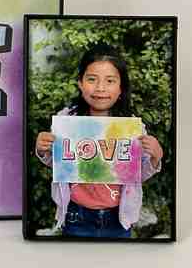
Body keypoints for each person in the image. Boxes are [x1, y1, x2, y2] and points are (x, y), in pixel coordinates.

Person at [35, 43, 163, 238]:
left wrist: (155, 157)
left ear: (121, 87)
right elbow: (60, 165)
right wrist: (43, 149)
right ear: (80, 83)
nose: (100, 88)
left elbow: (137, 174)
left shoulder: (132, 127)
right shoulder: (67, 119)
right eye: (92, 79)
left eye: (110, 80)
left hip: (119, 218)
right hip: (76, 215)